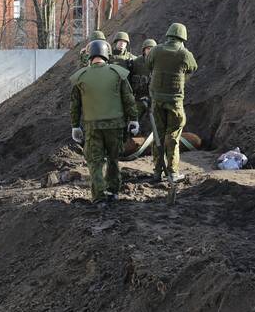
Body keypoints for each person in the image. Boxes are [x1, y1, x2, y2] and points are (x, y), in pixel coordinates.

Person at [70, 39, 139, 204]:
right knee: (113, 160)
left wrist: (75, 126)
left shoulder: (81, 76)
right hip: (115, 126)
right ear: (106, 54)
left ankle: (99, 197)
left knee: (95, 162)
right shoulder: (118, 73)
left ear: (91, 55)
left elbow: (75, 105)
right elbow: (128, 99)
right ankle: (113, 191)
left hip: (92, 126)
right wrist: (134, 119)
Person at [146, 23, 198, 184]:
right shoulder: (184, 54)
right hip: (175, 102)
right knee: (173, 137)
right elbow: (193, 68)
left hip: (157, 101)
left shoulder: (156, 50)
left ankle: (157, 172)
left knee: (158, 136)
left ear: (168, 35)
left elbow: (149, 65)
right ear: (183, 38)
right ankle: (173, 172)